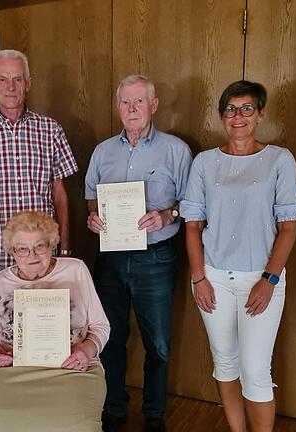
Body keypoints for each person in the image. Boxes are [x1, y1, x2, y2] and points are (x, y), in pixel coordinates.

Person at [181, 80, 296, 432]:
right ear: (222, 116)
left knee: (255, 371)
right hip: (214, 278)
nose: (239, 116)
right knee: (224, 363)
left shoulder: (280, 160)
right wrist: (198, 277)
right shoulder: (205, 162)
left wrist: (269, 280)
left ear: (260, 114)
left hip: (260, 279)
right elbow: (192, 226)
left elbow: (289, 228)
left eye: (247, 108)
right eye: (231, 109)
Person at [84, 74, 193, 432]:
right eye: (125, 103)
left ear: (154, 105)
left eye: (139, 102)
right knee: (111, 338)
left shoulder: (175, 150)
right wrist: (93, 218)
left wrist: (166, 215)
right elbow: (90, 197)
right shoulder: (103, 151)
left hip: (156, 258)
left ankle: (154, 413)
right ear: (118, 106)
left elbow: (191, 205)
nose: (131, 109)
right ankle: (114, 407)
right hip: (111, 259)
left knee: (158, 344)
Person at [0, 49, 78, 292]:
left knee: (47, 327)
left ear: (28, 83)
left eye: (17, 79)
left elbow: (59, 193)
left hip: (43, 254)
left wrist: (64, 247)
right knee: (0, 327)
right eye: (3, 79)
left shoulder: (50, 129)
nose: (10, 86)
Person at [0, 211, 110, 431]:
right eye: (22, 249)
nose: (32, 255)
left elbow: (101, 326)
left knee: (74, 422)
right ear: (12, 251)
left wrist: (86, 349)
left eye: (40, 246)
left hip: (71, 367)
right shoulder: (0, 282)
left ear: (52, 244)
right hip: (11, 368)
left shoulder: (76, 270)